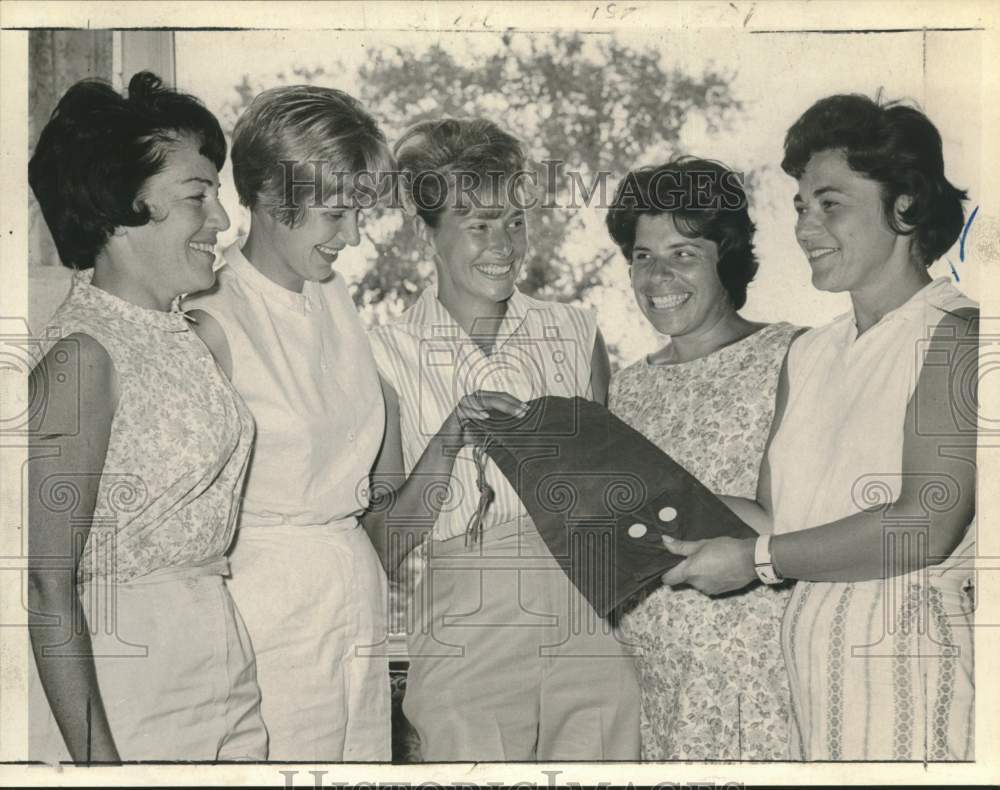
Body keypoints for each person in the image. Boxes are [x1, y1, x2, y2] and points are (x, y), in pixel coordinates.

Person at [661, 95, 977, 761]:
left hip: (916, 676)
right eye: (801, 206)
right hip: (811, 687)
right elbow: (775, 518)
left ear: (905, 207)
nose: (805, 226)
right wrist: (639, 491)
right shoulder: (808, 354)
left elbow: (924, 523)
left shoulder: (956, 336)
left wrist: (755, 561)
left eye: (829, 203)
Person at [366, 117, 641, 761]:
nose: (504, 244)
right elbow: (382, 544)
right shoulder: (383, 354)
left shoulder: (576, 332)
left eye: (515, 221)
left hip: (585, 611)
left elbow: (611, 502)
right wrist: (448, 440)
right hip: (465, 622)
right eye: (478, 224)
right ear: (424, 231)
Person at [27, 71, 266, 762]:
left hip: (220, 653)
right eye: (198, 196)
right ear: (119, 207)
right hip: (125, 672)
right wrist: (97, 763)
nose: (220, 220)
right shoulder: (81, 358)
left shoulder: (192, 336)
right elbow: (47, 582)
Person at [184, 85, 394, 761]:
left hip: (353, 602)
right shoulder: (211, 316)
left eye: (357, 213)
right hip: (266, 612)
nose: (354, 237)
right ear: (274, 200)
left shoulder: (332, 294)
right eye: (336, 214)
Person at [604, 157, 801, 759]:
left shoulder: (791, 355)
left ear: (728, 259)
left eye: (685, 252)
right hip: (654, 687)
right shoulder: (625, 389)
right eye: (643, 255)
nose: (658, 274)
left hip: (756, 678)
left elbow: (797, 518)